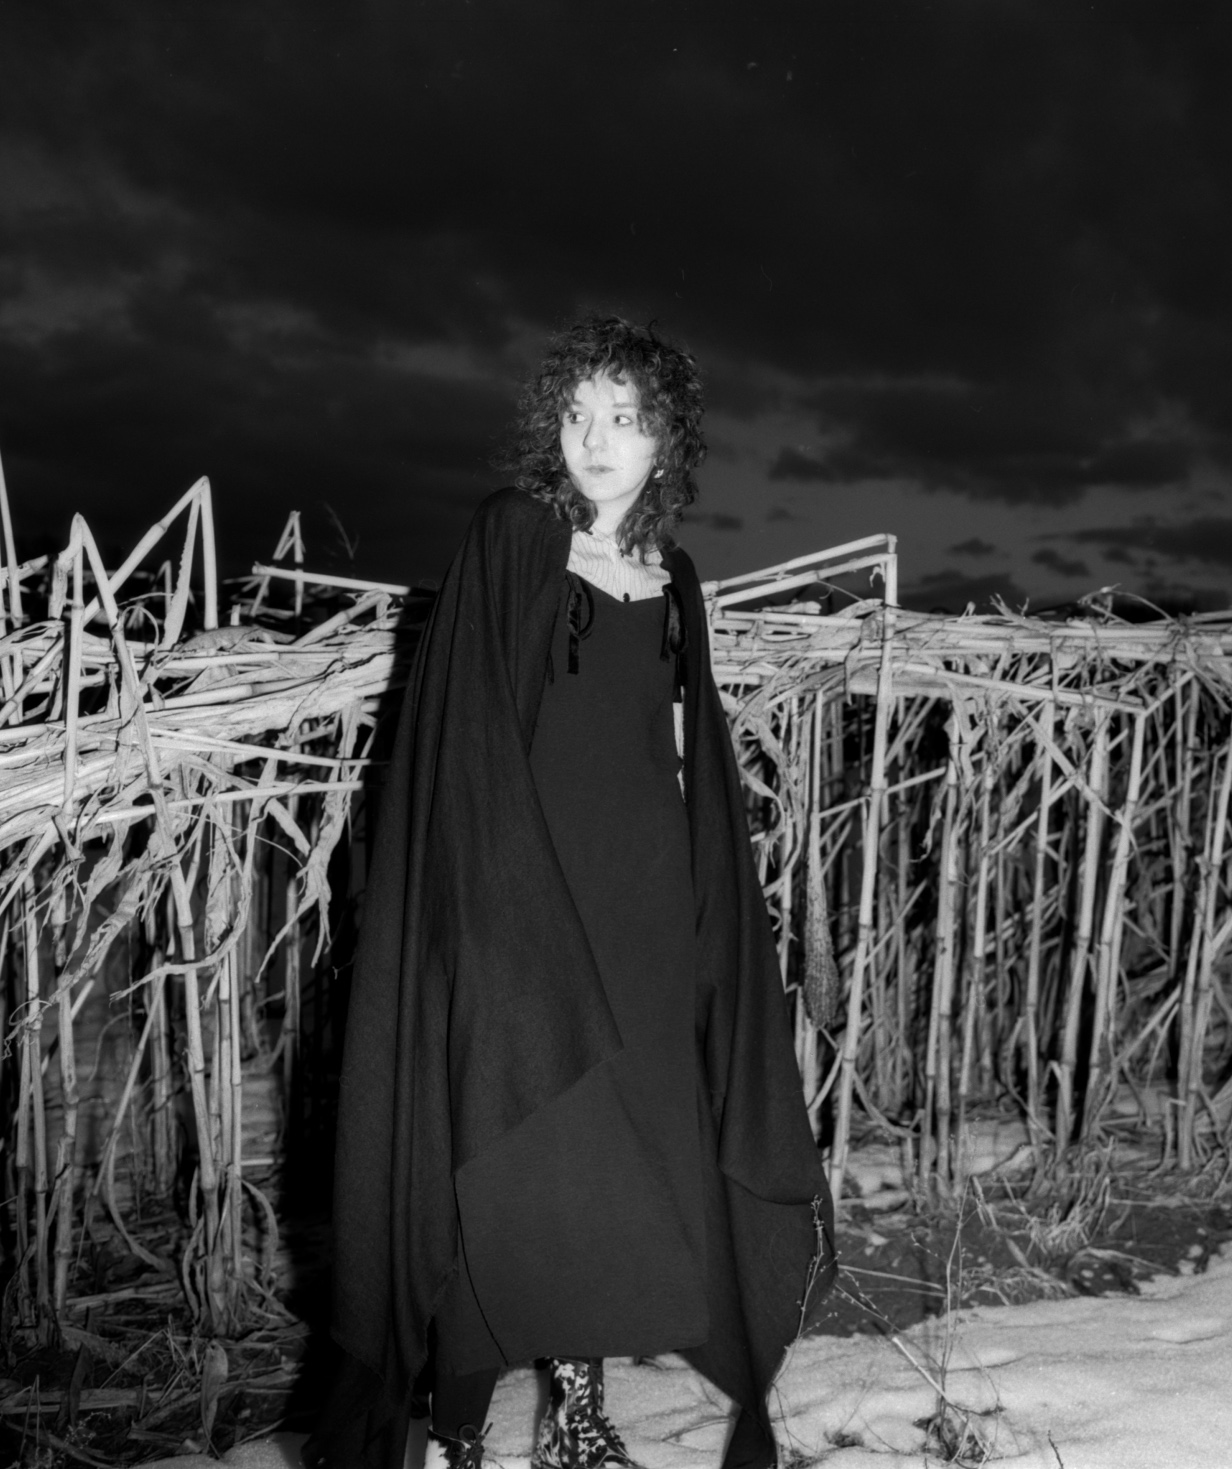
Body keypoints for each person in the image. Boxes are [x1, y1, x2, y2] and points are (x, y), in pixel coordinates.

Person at [307, 316, 835, 1469]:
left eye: (625, 417)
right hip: (516, 902)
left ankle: (579, 1415)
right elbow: (465, 737)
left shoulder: (676, 580)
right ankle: (457, 1426)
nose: (596, 439)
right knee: (501, 1154)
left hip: (641, 914)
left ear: (665, 439)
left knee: (610, 1164)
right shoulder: (512, 537)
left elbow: (681, 756)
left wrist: (704, 912)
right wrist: (486, 911)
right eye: (578, 414)